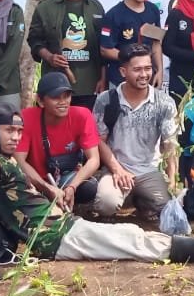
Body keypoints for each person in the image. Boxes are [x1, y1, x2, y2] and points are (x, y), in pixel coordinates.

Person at [0, 106, 194, 273]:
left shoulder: (3, 159)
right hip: (53, 238)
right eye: (8, 130)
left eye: (19, 131)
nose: (15, 137)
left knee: (130, 232)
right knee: (129, 240)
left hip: (61, 226)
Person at [17, 71, 122, 218]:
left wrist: (73, 186)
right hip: (35, 181)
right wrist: (46, 187)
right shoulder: (26, 117)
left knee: (89, 188)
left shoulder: (82, 115)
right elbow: (19, 161)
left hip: (66, 179)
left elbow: (94, 160)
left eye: (66, 96)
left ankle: (68, 201)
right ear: (40, 101)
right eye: (55, 97)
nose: (63, 102)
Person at [95, 44, 178, 220]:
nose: (144, 74)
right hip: (116, 169)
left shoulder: (164, 102)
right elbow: (99, 140)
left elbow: (170, 143)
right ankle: (127, 198)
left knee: (168, 209)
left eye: (148, 68)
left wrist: (172, 179)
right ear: (123, 72)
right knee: (106, 204)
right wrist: (117, 170)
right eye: (137, 69)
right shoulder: (106, 100)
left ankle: (142, 201)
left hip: (148, 170)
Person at [28, 0, 106, 110]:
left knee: (84, 129)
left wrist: (103, 78)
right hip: (55, 84)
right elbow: (34, 40)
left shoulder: (96, 8)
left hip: (88, 85)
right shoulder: (45, 8)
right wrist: (49, 57)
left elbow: (102, 47)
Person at [99, 0, 163, 89]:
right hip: (121, 81)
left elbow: (156, 43)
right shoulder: (113, 15)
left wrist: (159, 70)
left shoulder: (153, 10)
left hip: (148, 80)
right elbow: (106, 50)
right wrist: (134, 60)